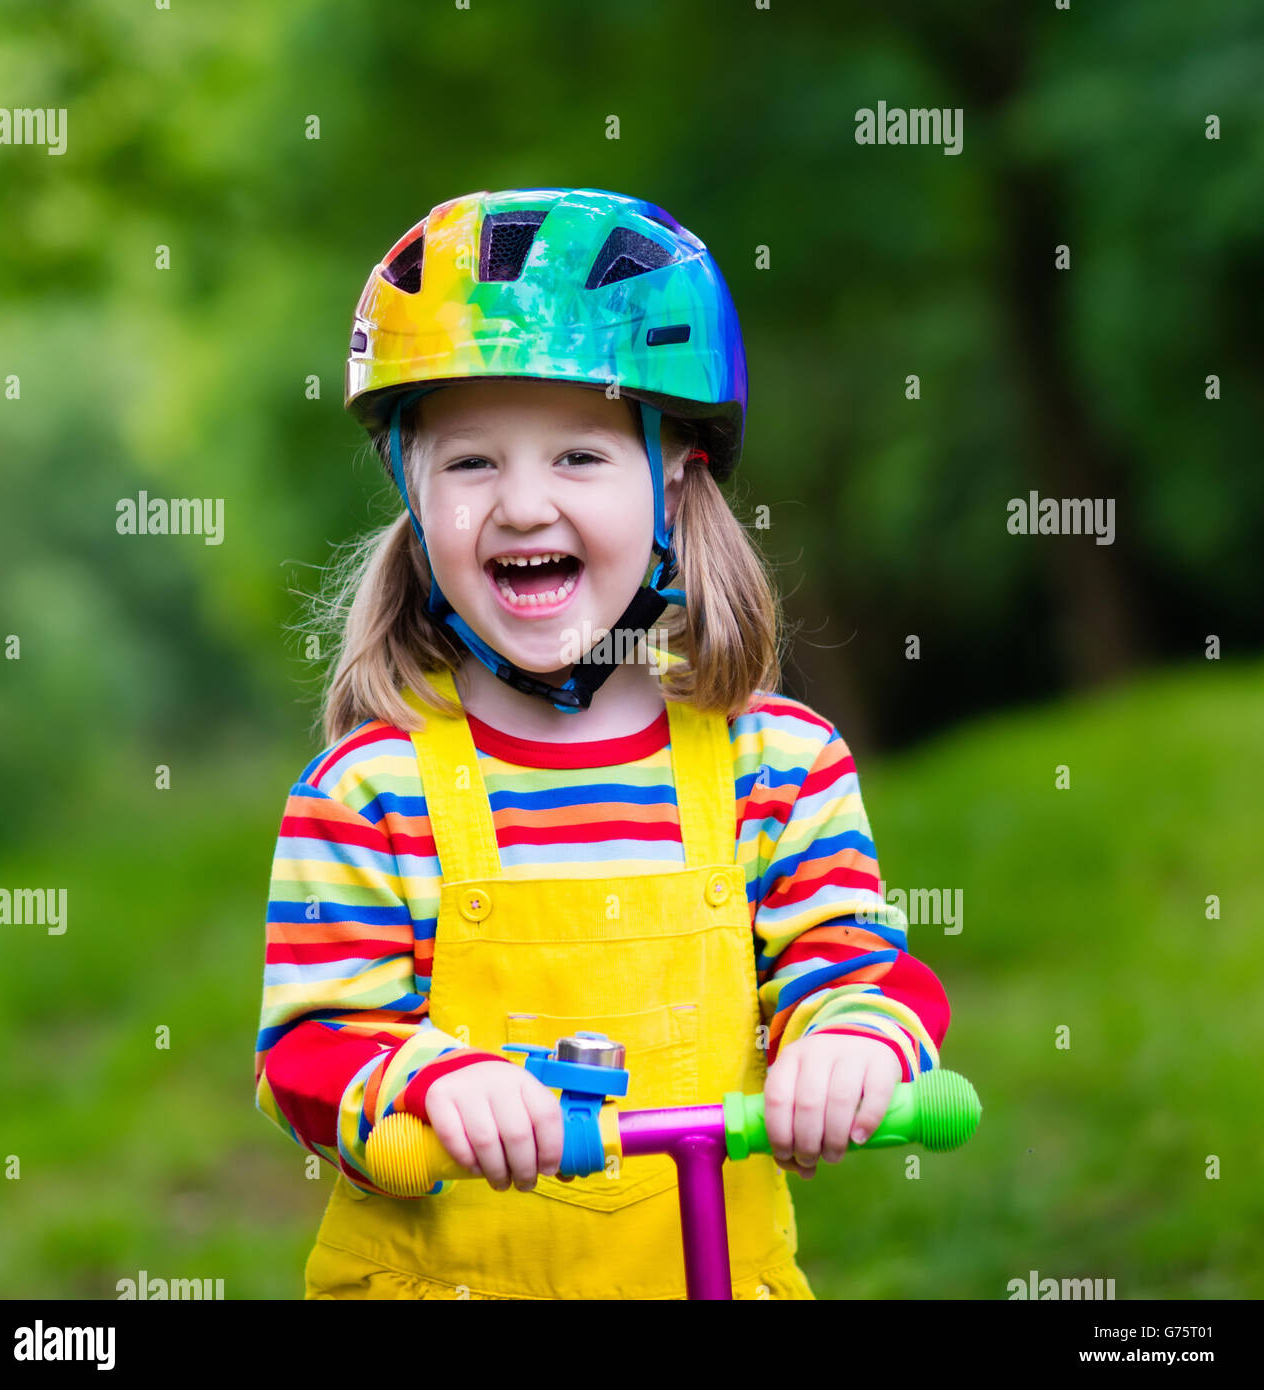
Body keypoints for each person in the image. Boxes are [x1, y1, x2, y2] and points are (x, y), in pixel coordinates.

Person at [254, 187, 950, 1300]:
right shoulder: (369, 793)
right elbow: (307, 1049)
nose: (523, 505)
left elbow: (856, 963)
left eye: (579, 456)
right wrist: (433, 1083)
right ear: (409, 485)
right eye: (471, 462)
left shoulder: (778, 767)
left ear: (676, 469)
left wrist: (850, 1043)